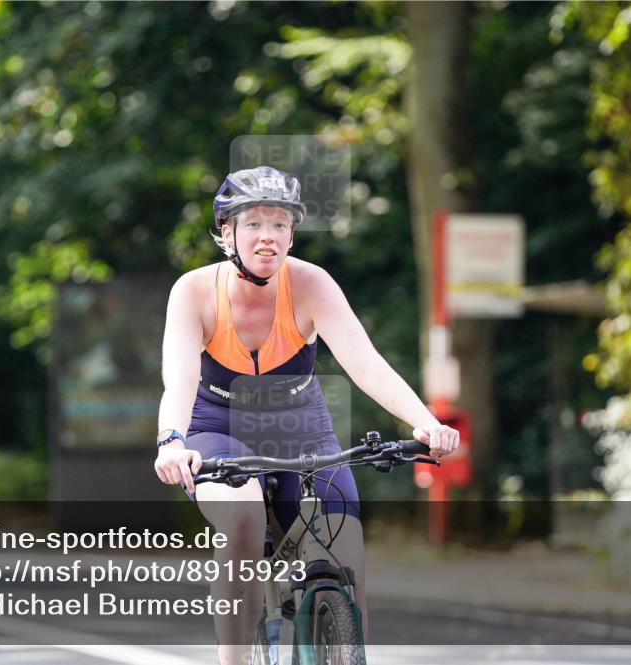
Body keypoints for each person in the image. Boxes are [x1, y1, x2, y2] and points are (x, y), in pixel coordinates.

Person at [154, 166, 459, 665]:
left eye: (280, 224)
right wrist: (172, 441)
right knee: (244, 522)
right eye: (253, 223)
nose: (268, 237)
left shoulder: (312, 284)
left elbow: (365, 362)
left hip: (301, 427)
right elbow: (181, 381)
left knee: (349, 557)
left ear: (292, 234)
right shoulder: (194, 291)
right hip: (216, 429)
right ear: (227, 232)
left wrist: (422, 421)